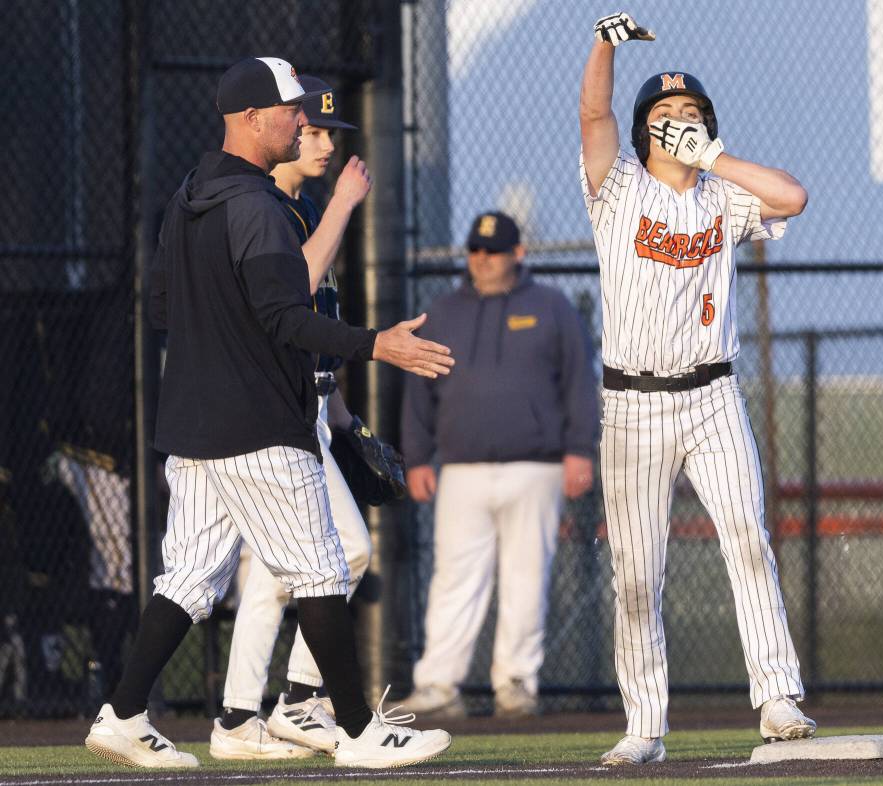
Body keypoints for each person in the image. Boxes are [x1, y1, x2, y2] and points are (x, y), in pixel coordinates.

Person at [84, 56, 454, 770]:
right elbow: (288, 317)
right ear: (254, 119)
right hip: (256, 424)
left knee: (189, 576)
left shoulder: (190, 194)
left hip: (192, 428)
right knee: (319, 569)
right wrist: (379, 345)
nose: (300, 120)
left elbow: (163, 307)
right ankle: (354, 731)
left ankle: (123, 714)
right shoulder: (255, 205)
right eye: (291, 110)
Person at [580, 13, 817, 765]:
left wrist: (714, 152)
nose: (679, 122)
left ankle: (777, 697)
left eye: (692, 114)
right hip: (633, 403)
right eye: (666, 114)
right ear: (644, 131)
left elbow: (793, 197)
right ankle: (644, 727)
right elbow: (594, 115)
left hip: (713, 394)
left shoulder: (721, 195)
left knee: (747, 537)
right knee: (638, 573)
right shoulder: (617, 190)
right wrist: (604, 47)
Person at [209, 75, 377, 760]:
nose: (326, 143)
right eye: (312, 129)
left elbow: (314, 320)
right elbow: (295, 290)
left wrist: (339, 410)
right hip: (261, 415)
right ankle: (296, 702)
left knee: (275, 573)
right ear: (278, 131)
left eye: (332, 133)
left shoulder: (298, 207)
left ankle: (241, 716)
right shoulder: (271, 208)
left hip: (299, 410)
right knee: (340, 553)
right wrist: (341, 207)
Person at [399, 211, 599, 718]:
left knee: (526, 577)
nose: (482, 260)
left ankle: (515, 683)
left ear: (518, 253)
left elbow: (579, 382)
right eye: (475, 250)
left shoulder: (551, 308)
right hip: (461, 468)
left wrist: (581, 449)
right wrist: (418, 457)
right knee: (454, 578)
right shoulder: (442, 312)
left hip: (537, 466)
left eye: (493, 250)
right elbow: (419, 389)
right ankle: (439, 686)